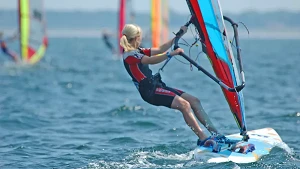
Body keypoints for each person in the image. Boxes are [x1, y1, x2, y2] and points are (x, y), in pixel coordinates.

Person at [120, 24, 228, 147]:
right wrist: (171, 54)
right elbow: (150, 60)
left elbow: (160, 49)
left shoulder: (137, 50)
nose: (141, 39)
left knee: (194, 101)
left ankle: (216, 134)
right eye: (140, 37)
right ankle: (203, 138)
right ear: (135, 38)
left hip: (156, 85)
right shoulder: (129, 55)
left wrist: (179, 35)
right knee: (184, 105)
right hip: (150, 92)